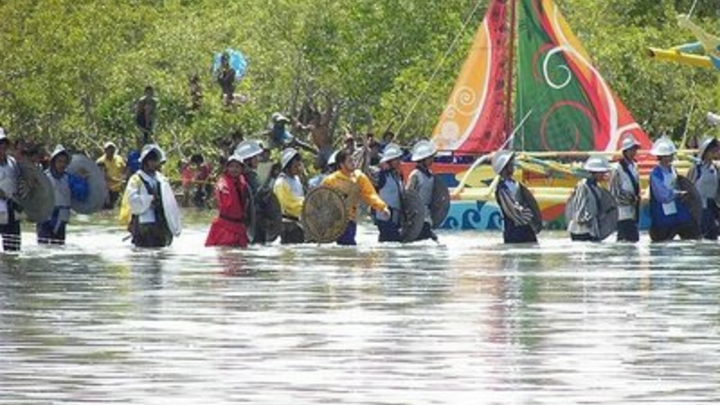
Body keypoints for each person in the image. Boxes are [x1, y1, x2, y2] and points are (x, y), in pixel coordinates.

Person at [322, 148, 390, 245]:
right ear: (341, 164)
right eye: (350, 161)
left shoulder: (359, 177)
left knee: (348, 247)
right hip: (334, 222)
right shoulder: (330, 180)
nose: (353, 163)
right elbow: (320, 200)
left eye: (353, 160)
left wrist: (382, 207)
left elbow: (370, 194)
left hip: (351, 220)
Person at [120, 144, 180, 248]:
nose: (156, 164)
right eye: (153, 161)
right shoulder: (136, 179)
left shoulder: (161, 179)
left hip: (161, 222)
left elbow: (169, 202)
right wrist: (149, 200)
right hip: (144, 223)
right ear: (146, 162)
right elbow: (132, 200)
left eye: (156, 161)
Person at [648, 137, 700, 242]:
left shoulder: (673, 170)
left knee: (692, 233)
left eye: (671, 155)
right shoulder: (655, 174)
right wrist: (677, 193)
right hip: (662, 216)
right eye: (669, 155)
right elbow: (662, 195)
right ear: (661, 157)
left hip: (676, 214)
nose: (671, 157)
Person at [37, 145, 89, 245]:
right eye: (60, 161)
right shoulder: (44, 177)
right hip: (45, 219)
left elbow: (81, 195)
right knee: (44, 250)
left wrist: (83, 180)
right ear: (53, 162)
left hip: (61, 219)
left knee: (58, 250)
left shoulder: (69, 178)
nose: (62, 164)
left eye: (64, 162)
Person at [205, 154, 251, 247]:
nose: (234, 169)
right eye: (232, 166)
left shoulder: (243, 182)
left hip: (239, 226)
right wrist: (221, 191)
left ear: (242, 169)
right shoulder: (223, 183)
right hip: (225, 227)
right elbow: (221, 191)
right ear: (227, 168)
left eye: (237, 167)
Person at [492, 150, 538, 244]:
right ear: (504, 168)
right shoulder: (502, 189)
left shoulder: (516, 184)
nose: (513, 166)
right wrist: (529, 216)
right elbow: (513, 211)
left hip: (525, 228)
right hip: (514, 232)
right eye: (510, 164)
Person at [567, 156, 612, 242]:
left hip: (592, 230)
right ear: (593, 173)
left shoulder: (597, 187)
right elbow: (579, 209)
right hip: (580, 231)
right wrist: (589, 219)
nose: (603, 175)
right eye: (601, 172)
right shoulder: (583, 186)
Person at [609, 135, 642, 242]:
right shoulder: (617, 169)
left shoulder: (634, 166)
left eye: (635, 149)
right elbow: (615, 192)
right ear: (625, 151)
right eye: (631, 149)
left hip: (633, 212)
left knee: (633, 240)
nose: (634, 152)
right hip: (621, 213)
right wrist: (631, 199)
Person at [687, 136, 720, 239]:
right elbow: (689, 186)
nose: (714, 152)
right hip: (699, 206)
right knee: (702, 233)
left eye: (716, 150)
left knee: (713, 233)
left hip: (712, 206)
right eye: (711, 150)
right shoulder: (696, 169)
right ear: (704, 152)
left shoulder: (715, 168)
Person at [407, 140, 438, 242]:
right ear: (422, 159)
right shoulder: (415, 175)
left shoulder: (430, 174)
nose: (432, 159)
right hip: (417, 216)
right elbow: (408, 196)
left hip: (427, 215)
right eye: (430, 157)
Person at [373, 143, 404, 242]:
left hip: (395, 218)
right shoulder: (381, 175)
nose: (399, 161)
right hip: (384, 217)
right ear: (389, 161)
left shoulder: (397, 176)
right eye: (396, 159)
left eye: (399, 158)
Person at [273, 148, 306, 244]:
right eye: (295, 166)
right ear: (287, 167)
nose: (298, 168)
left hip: (297, 223)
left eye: (299, 165)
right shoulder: (281, 182)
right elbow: (287, 205)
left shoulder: (297, 179)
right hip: (287, 225)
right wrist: (306, 204)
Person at [0, 128, 21, 251]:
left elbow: (19, 181)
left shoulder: (12, 162)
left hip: (12, 207)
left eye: (3, 144)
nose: (1, 147)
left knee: (13, 248)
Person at [96, 141, 126, 209]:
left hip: (116, 190)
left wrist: (124, 178)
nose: (111, 150)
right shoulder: (100, 162)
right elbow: (104, 176)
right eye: (109, 149)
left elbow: (124, 169)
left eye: (112, 149)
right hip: (105, 190)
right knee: (103, 209)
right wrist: (119, 181)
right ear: (105, 150)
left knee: (113, 208)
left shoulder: (119, 159)